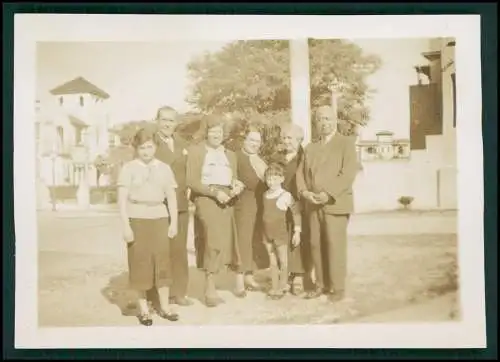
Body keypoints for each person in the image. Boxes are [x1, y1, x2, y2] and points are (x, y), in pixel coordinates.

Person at [117, 127, 180, 326]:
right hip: (137, 220)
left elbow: (171, 198)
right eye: (142, 147)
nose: (146, 151)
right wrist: (126, 227)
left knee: (162, 263)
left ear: (155, 147)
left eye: (150, 147)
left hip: (160, 219)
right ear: (136, 148)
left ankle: (165, 307)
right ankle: (144, 310)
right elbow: (121, 200)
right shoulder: (128, 168)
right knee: (140, 264)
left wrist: (174, 223)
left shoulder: (164, 168)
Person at [296, 105, 359, 303]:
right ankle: (321, 284)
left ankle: (337, 287)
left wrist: (328, 193)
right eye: (320, 119)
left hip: (335, 204)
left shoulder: (346, 144)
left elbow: (348, 173)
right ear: (316, 123)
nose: (324, 123)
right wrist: (305, 193)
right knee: (316, 244)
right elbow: (300, 174)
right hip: (313, 205)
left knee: (334, 244)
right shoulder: (310, 147)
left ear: (335, 120)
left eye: (328, 119)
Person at [186, 114, 245, 307]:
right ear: (206, 133)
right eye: (212, 131)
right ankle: (209, 288)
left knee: (226, 242)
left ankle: (220, 281)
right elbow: (192, 181)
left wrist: (236, 186)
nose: (216, 134)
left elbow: (233, 177)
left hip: (227, 199)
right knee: (212, 240)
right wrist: (214, 193)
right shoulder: (196, 151)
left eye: (219, 131)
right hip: (207, 198)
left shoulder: (230, 154)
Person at [150, 106, 194, 307]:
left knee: (179, 249)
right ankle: (155, 295)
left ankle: (179, 292)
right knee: (158, 250)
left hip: (180, 205)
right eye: (164, 120)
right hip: (158, 204)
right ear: (157, 121)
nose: (167, 124)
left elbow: (190, 172)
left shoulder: (184, 144)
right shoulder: (148, 144)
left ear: (176, 123)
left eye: (171, 120)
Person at [278, 123, 312, 296]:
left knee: (298, 238)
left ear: (299, 140)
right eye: (284, 137)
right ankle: (286, 274)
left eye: (290, 138)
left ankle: (299, 275)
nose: (286, 141)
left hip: (299, 205)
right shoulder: (278, 158)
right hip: (280, 206)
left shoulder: (304, 158)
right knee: (283, 239)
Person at [233, 124, 268, 295]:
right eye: (251, 140)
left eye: (258, 141)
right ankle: (239, 282)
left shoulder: (259, 160)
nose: (255, 144)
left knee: (254, 240)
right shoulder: (237, 157)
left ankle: (249, 277)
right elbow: (230, 177)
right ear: (244, 140)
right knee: (243, 241)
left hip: (259, 205)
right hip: (243, 204)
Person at [261, 162, 302, 299]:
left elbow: (296, 213)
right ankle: (274, 286)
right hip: (267, 234)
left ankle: (282, 285)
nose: (271, 182)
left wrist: (297, 231)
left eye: (275, 178)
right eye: (269, 179)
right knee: (272, 262)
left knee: (283, 261)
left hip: (280, 235)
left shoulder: (285, 195)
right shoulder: (265, 195)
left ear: (282, 179)